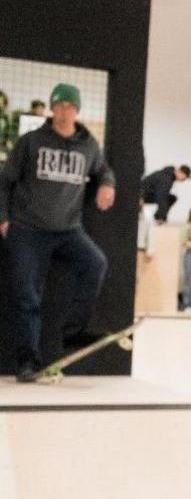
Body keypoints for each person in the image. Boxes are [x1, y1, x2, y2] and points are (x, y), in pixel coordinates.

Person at [0, 82, 115, 382]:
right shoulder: (30, 142)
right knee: (26, 295)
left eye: (70, 107)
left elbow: (103, 170)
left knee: (96, 263)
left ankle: (73, 331)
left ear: (77, 110)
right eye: (59, 106)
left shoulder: (89, 146)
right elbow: (4, 181)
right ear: (51, 109)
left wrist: (107, 184)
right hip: (28, 229)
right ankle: (27, 361)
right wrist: (3, 217)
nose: (64, 112)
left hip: (68, 230)